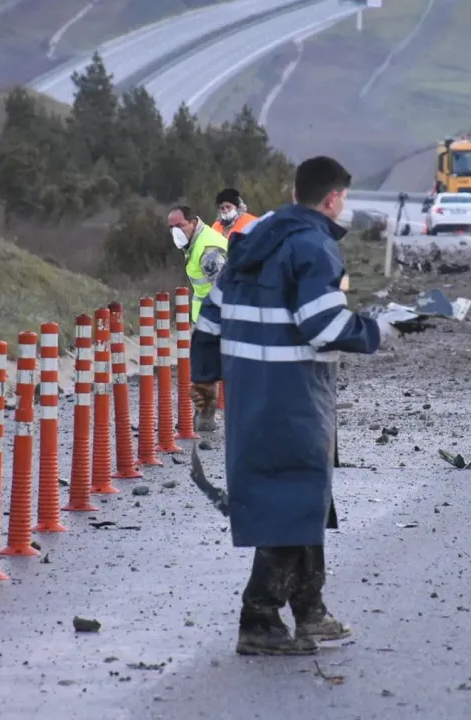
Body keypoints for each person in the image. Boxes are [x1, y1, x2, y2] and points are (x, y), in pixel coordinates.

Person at [188, 155, 399, 656]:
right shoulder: (313, 248)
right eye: (343, 200)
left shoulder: (247, 245)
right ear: (332, 199)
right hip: (295, 397)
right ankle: (258, 619)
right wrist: (378, 329)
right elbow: (324, 327)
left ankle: (310, 612)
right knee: (291, 501)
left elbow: (209, 325)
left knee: (300, 501)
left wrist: (206, 381)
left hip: (251, 398)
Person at [168, 204, 228, 431]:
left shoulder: (208, 251)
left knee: (210, 371)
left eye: (180, 226)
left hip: (218, 320)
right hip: (208, 319)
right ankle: (205, 420)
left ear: (193, 222)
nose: (175, 231)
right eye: (171, 227)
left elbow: (225, 290)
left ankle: (206, 420)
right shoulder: (196, 243)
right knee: (207, 371)